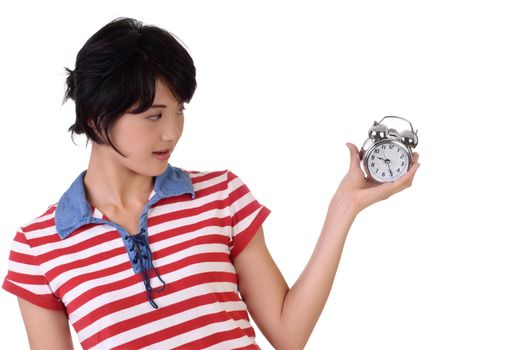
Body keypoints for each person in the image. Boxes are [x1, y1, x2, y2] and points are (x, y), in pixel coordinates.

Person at [2, 17, 420, 350]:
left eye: (179, 111)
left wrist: (343, 206)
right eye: (154, 115)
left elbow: (288, 335)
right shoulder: (38, 249)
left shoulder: (221, 195)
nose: (172, 132)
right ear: (95, 118)